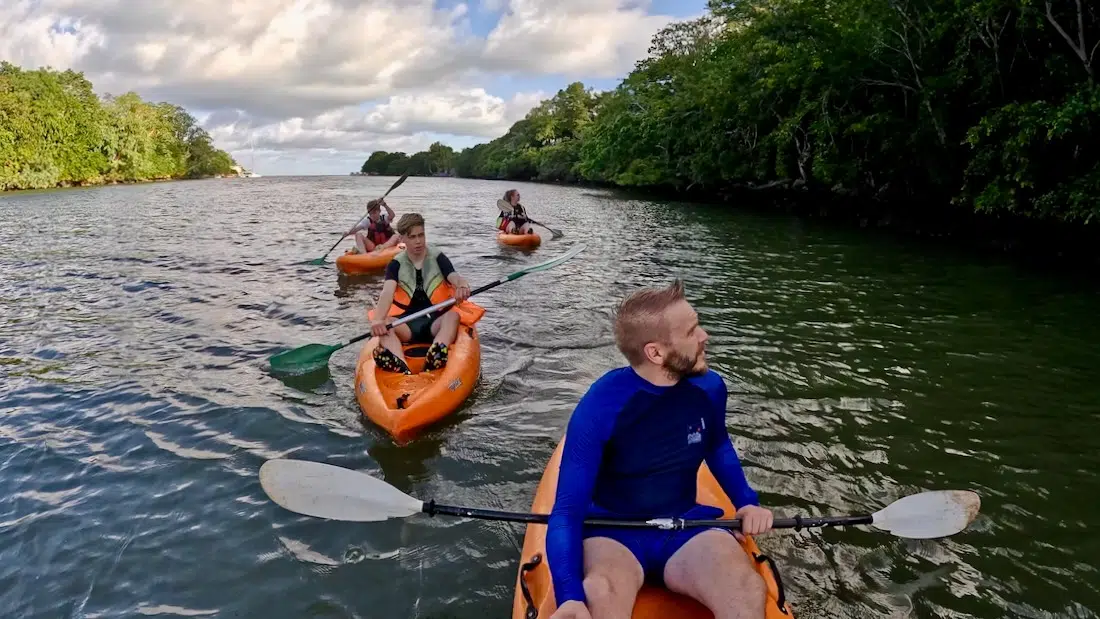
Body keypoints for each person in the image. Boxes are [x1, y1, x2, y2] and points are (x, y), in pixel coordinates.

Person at [545, 280, 774, 619]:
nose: (705, 336)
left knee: (746, 588)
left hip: (685, 525)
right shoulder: (601, 405)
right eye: (692, 331)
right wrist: (569, 596)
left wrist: (745, 501)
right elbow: (566, 513)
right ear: (655, 353)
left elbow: (717, 444)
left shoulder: (709, 389)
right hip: (614, 532)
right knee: (599, 594)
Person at [369, 213, 473, 374]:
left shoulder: (437, 257)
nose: (418, 241)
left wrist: (462, 285)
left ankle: (436, 352)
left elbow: (454, 276)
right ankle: (400, 363)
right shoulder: (395, 264)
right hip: (407, 325)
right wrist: (378, 320)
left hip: (435, 323)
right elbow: (387, 293)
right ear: (402, 239)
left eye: (421, 235)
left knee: (453, 317)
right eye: (412, 237)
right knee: (386, 324)